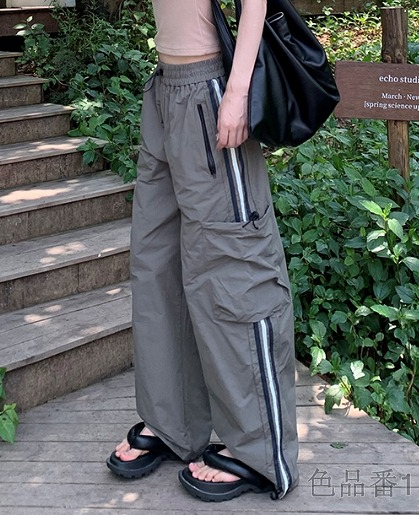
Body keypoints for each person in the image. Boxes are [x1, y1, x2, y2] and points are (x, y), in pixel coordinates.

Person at [106, 0, 299, 502]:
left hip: (211, 91)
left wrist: (237, 91)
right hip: (164, 90)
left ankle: (259, 450)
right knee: (158, 264)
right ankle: (173, 423)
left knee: (234, 267)